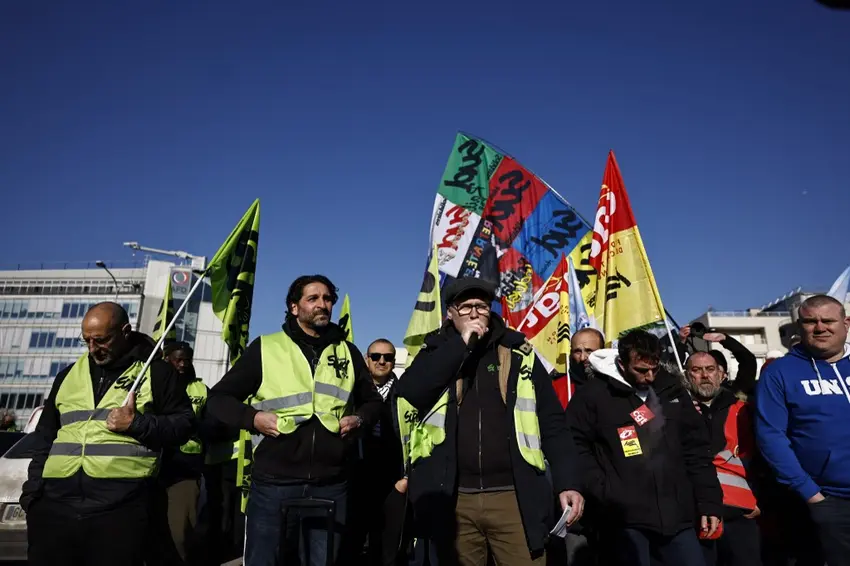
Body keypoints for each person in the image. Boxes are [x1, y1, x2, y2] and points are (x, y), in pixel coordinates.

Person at [397, 277, 584, 566]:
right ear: (450, 313)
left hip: (513, 496)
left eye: (481, 306)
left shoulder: (518, 352)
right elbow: (411, 390)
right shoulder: (435, 350)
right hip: (454, 499)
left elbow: (553, 423)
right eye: (466, 307)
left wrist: (568, 482)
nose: (474, 314)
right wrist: (460, 345)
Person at [207, 275, 384, 566]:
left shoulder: (348, 351)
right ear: (294, 307)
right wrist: (253, 419)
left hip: (332, 483)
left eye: (327, 299)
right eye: (312, 298)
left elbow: (373, 403)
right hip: (274, 484)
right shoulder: (265, 347)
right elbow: (218, 399)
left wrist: (359, 419)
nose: (322, 305)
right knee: (265, 561)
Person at [20, 302, 194, 566]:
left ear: (125, 331)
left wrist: (138, 424)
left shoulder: (156, 374)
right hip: (55, 508)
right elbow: (46, 437)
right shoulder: (67, 376)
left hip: (121, 509)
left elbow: (184, 426)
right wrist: (33, 494)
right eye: (87, 341)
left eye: (100, 341)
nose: (92, 349)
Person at [567, 330, 722, 566]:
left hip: (678, 517)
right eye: (641, 370)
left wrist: (709, 501)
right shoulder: (593, 394)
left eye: (654, 369)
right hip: (623, 522)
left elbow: (697, 450)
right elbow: (575, 445)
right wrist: (603, 489)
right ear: (621, 363)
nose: (649, 377)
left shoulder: (673, 391)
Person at [755, 294, 850, 566]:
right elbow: (771, 437)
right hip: (828, 501)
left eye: (828, 320)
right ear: (800, 326)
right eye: (810, 321)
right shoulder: (780, 373)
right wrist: (812, 495)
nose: (820, 327)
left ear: (846, 323)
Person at [685, 352, 763, 566]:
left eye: (710, 369)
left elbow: (761, 457)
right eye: (696, 370)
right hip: (695, 513)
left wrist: (760, 498)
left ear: (721, 374)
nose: (704, 375)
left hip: (741, 512)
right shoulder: (675, 411)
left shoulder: (742, 411)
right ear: (687, 375)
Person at [340, 339, 410, 566]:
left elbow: (418, 437)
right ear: (366, 359)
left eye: (388, 357)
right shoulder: (350, 393)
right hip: (355, 478)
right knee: (351, 545)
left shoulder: (406, 394)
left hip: (393, 482)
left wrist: (407, 478)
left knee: (388, 550)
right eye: (376, 356)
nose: (382, 361)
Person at [147, 341, 209, 565]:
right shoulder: (148, 383)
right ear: (166, 359)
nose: (183, 364)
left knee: (180, 534)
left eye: (187, 359)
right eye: (178, 359)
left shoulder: (200, 389)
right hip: (149, 469)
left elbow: (211, 424)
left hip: (184, 469)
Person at [552, 328, 605, 409]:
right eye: (577, 352)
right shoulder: (558, 387)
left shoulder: (615, 384)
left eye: (589, 351)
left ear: (602, 351)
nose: (583, 357)